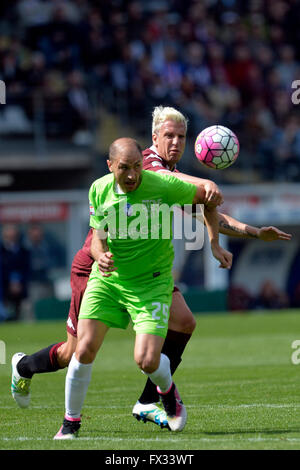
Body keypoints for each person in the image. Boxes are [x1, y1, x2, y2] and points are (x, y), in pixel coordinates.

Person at [11, 106, 292, 427]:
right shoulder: (139, 164)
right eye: (168, 135)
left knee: (184, 322)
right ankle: (24, 367)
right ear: (154, 137)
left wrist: (254, 232)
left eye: (182, 137)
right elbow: (181, 184)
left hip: (144, 269)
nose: (175, 142)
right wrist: (204, 181)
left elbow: (204, 208)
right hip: (98, 266)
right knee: (73, 353)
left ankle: (146, 401)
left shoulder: (166, 179)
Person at [52, 137, 228, 437]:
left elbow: (208, 199)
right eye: (124, 168)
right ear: (110, 166)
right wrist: (100, 255)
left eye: (137, 167)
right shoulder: (99, 189)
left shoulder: (161, 185)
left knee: (147, 361)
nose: (133, 175)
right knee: (83, 348)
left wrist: (213, 243)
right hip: (109, 281)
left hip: (151, 283)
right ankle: (70, 424)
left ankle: (167, 391)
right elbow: (97, 235)